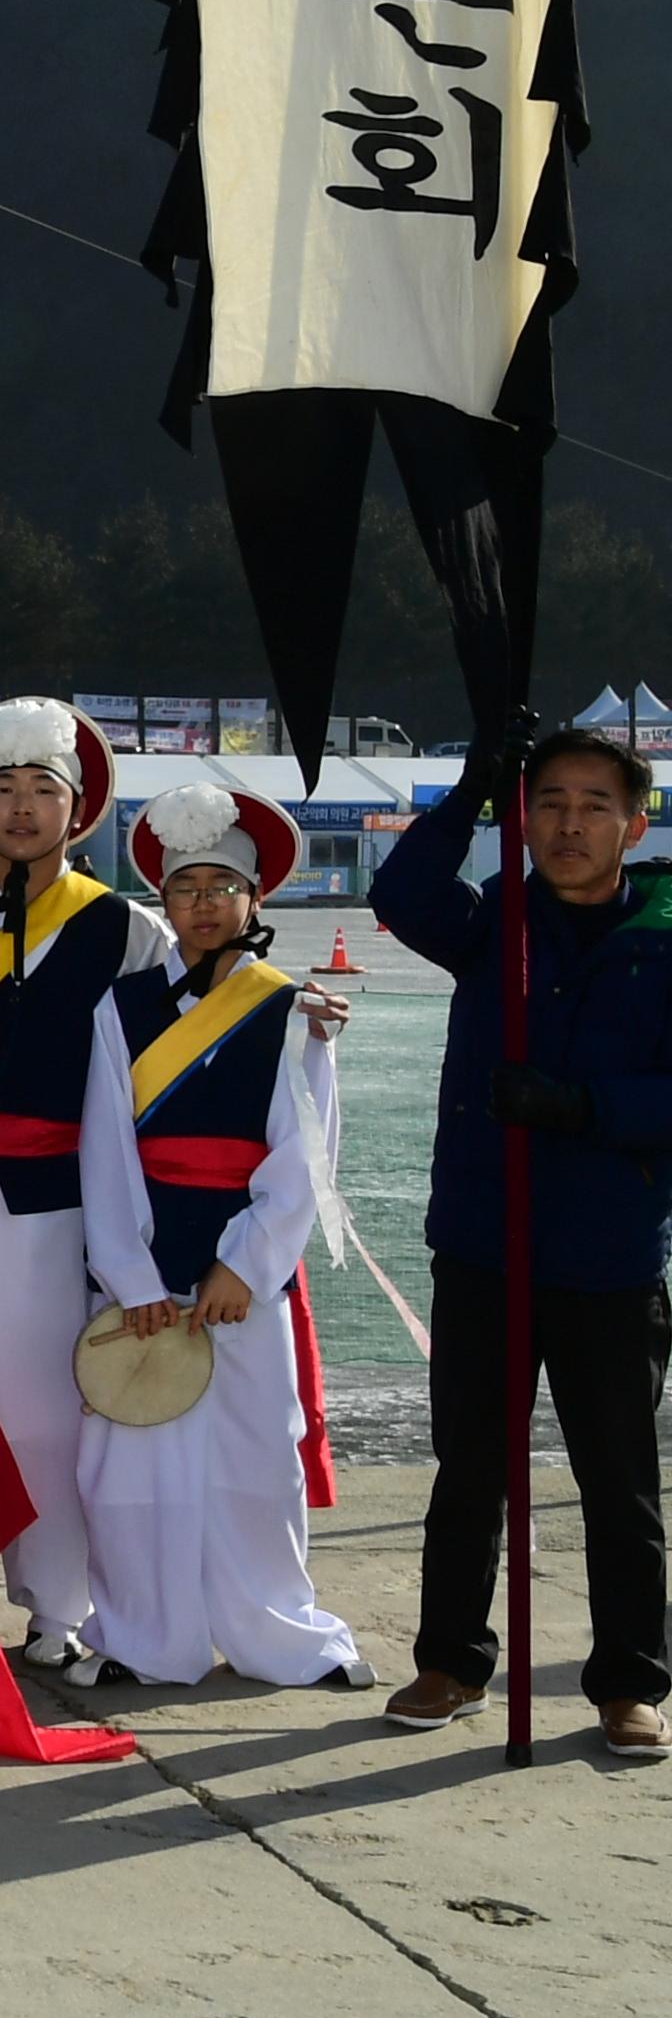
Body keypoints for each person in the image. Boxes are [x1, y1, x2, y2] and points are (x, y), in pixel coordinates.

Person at [372, 718, 672, 1761]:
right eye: (549, 802)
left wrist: (581, 1105)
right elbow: (400, 896)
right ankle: (451, 1659)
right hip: (485, 1239)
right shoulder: (495, 918)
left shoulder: (666, 934)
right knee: (471, 1465)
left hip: (609, 1251)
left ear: (638, 822)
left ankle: (631, 1680)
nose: (570, 823)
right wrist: (468, 794)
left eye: (595, 805)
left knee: (620, 1478)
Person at [71, 783, 369, 1693]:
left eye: (221, 886)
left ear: (256, 899)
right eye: (185, 886)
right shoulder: (118, 1008)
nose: (203, 904)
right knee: (132, 1464)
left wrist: (243, 1264)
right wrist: (131, 1273)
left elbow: (305, 1153)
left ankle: (276, 1632)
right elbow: (105, 1150)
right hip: (146, 1264)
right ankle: (140, 1635)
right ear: (161, 900)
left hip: (242, 1275)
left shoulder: (289, 1010)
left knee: (253, 1460)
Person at [0, 699, 167, 1671]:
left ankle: (62, 1604)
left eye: (40, 789)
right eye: (2, 789)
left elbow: (168, 1057)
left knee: (51, 1411)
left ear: (77, 805)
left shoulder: (127, 928)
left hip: (64, 1201)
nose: (20, 808)